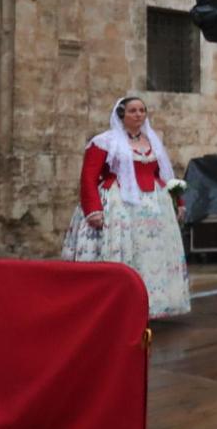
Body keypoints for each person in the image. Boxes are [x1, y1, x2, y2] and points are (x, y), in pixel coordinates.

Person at [62, 96, 189, 318]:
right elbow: (88, 178)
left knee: (151, 255)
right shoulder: (105, 142)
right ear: (122, 115)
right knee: (124, 253)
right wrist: (93, 209)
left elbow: (163, 175)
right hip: (118, 204)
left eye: (142, 110)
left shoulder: (152, 141)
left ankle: (151, 303)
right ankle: (117, 306)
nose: (138, 114)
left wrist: (178, 201)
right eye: (132, 110)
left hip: (154, 206)